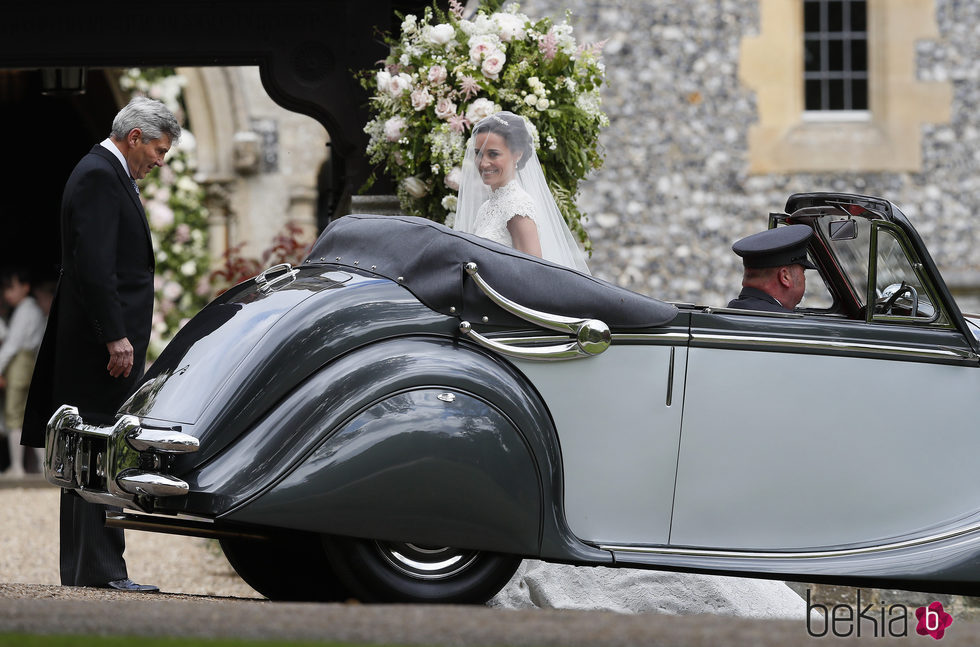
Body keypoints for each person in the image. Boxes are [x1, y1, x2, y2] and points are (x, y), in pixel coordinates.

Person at [21, 96, 180, 592]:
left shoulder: (107, 173)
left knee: (89, 453)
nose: (160, 160)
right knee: (99, 453)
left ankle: (89, 571)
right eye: (157, 149)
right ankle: (101, 571)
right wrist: (116, 336)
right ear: (134, 137)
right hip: (99, 348)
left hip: (98, 343)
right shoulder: (98, 174)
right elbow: (93, 265)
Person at [453, 111, 590, 274]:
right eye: (478, 153)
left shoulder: (517, 208)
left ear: (517, 155)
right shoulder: (486, 208)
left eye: (493, 154)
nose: (483, 163)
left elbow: (532, 276)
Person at [0, 269, 45, 478]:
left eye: (12, 287)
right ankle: (41, 465)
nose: (8, 293)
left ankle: (17, 467)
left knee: (14, 414)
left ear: (25, 287)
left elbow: (12, 345)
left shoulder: (25, 310)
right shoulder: (32, 309)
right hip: (29, 364)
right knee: (29, 415)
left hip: (20, 364)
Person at [727, 224, 818, 312]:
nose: (804, 278)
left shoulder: (729, 312)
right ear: (785, 276)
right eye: (803, 271)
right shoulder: (787, 324)